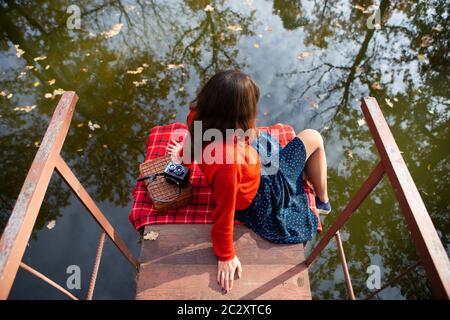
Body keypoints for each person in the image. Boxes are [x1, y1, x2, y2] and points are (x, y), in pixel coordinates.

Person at [167, 70, 331, 293]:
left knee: (266, 147)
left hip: (249, 167)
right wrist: (226, 255)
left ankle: (309, 183)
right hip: (263, 193)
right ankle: (323, 200)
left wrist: (181, 159)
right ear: (240, 116)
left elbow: (190, 148)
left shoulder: (196, 117)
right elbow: (225, 212)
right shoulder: (229, 161)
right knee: (313, 136)